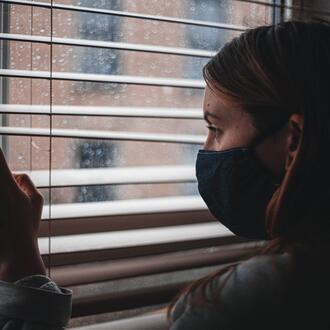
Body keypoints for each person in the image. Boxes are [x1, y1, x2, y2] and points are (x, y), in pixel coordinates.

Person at [0, 19, 328, 329]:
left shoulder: (264, 298)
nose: (206, 150)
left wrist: (20, 259)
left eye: (215, 128)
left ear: (293, 141)